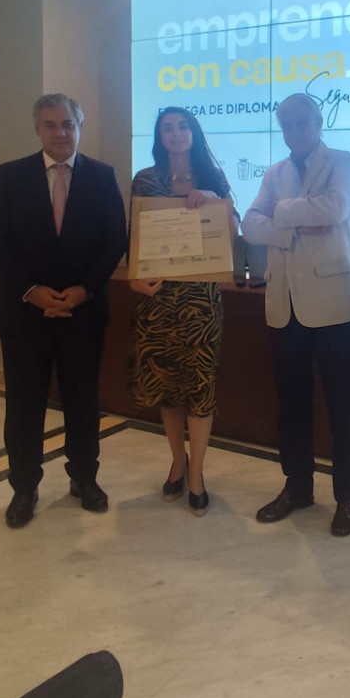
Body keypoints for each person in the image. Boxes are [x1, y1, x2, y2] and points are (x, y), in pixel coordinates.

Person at [0, 94, 127, 528]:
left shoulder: (102, 176)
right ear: (37, 129)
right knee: (24, 406)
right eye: (50, 125)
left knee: (83, 402)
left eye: (67, 124)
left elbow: (114, 240)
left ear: (79, 127)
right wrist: (31, 291)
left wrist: (84, 290)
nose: (60, 133)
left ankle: (84, 478)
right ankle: (23, 487)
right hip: (24, 312)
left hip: (84, 312)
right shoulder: (11, 175)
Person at [242, 93, 350, 537]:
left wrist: (278, 214)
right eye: (287, 125)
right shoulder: (274, 173)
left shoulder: (343, 162)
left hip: (335, 304)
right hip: (285, 305)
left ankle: (347, 497)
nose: (295, 131)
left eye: (302, 123)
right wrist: (296, 224)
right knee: (291, 406)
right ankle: (297, 488)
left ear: (318, 122)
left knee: (341, 406)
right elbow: (248, 225)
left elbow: (335, 209)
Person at [128, 107, 234, 516]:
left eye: (183, 126)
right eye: (168, 128)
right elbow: (135, 237)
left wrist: (215, 202)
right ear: (159, 137)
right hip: (158, 301)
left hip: (201, 303)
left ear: (194, 132)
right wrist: (135, 279)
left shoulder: (214, 178)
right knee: (167, 387)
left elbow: (235, 233)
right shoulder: (145, 180)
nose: (176, 133)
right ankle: (178, 460)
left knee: (201, 388)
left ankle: (197, 473)